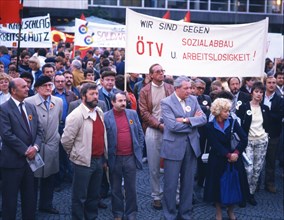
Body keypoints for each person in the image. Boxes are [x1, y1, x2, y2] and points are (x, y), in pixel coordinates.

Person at [160, 76, 207, 220]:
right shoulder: (166, 102)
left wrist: (186, 120)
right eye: (186, 88)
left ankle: (185, 214)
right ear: (176, 88)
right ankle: (169, 215)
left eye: (190, 88)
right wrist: (193, 124)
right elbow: (172, 126)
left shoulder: (193, 100)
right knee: (170, 185)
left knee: (188, 184)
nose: (189, 91)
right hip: (173, 147)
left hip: (191, 147)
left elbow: (204, 119)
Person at [61, 83, 108, 220]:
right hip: (82, 162)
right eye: (92, 94)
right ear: (83, 97)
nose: (95, 97)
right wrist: (75, 155)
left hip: (99, 160)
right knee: (80, 197)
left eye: (97, 94)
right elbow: (66, 140)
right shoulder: (76, 116)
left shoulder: (99, 112)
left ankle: (91, 217)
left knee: (93, 195)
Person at [0, 78, 42, 220]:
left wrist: (35, 147)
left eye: (27, 86)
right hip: (12, 163)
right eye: (23, 87)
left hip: (30, 163)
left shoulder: (30, 107)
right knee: (9, 201)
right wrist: (26, 150)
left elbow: (39, 131)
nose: (27, 89)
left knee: (30, 199)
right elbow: (6, 135)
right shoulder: (4, 108)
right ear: (13, 90)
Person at [204, 98, 249, 220]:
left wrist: (236, 153)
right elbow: (214, 144)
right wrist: (228, 155)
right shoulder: (209, 126)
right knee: (217, 186)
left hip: (234, 159)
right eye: (225, 111)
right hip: (217, 160)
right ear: (218, 111)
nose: (228, 113)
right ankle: (218, 212)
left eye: (228, 111)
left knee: (233, 185)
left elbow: (244, 138)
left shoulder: (233, 122)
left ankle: (231, 211)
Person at [25, 76, 63, 214]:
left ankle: (46, 204)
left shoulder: (58, 101)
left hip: (52, 145)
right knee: (32, 179)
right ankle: (30, 207)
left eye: (50, 85)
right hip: (35, 145)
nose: (48, 88)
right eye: (45, 85)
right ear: (37, 88)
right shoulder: (28, 102)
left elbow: (57, 120)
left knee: (50, 177)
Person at [139, 63, 174, 210]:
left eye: (162, 71)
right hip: (153, 130)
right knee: (153, 166)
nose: (161, 73)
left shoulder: (170, 88)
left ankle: (173, 195)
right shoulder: (145, 91)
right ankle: (156, 196)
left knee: (172, 164)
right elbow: (144, 112)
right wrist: (158, 125)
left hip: (171, 130)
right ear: (151, 75)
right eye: (158, 71)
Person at [104, 91, 144, 220]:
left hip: (130, 157)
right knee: (115, 188)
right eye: (120, 101)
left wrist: (139, 148)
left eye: (125, 101)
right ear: (113, 102)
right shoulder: (105, 117)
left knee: (131, 187)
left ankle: (131, 213)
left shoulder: (132, 114)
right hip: (114, 158)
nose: (123, 103)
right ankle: (118, 213)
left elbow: (139, 132)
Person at [236, 81, 269, 206]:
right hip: (248, 141)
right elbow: (238, 124)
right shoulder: (244, 107)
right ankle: (243, 194)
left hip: (261, 141)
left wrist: (266, 135)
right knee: (248, 169)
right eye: (256, 91)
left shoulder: (265, 108)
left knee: (257, 170)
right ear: (252, 93)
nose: (259, 94)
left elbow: (267, 124)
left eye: (261, 92)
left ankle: (251, 194)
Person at [262, 76, 284, 193]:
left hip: (274, 133)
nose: (271, 84)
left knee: (271, 160)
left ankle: (269, 183)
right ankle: (255, 184)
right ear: (265, 84)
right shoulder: (260, 97)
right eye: (269, 82)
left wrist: (266, 112)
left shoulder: (280, 100)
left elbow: (279, 116)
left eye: (273, 83)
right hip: (258, 132)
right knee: (257, 161)